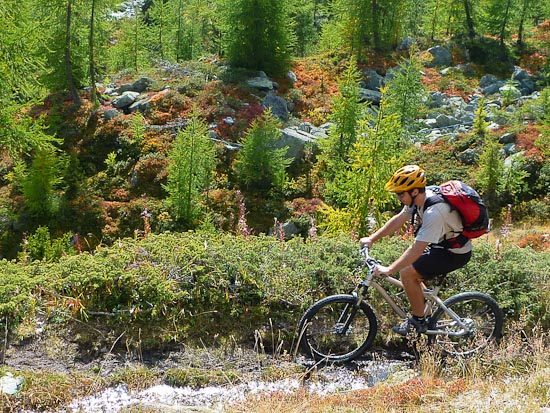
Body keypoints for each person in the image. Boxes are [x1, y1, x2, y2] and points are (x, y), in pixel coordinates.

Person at [359, 165, 472, 335]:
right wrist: (372, 238)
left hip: (454, 253)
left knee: (407, 272)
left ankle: (418, 321)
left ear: (414, 192)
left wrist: (389, 270)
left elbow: (416, 250)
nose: (398, 197)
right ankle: (425, 310)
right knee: (411, 272)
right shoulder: (419, 198)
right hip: (442, 246)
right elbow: (400, 219)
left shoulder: (435, 212)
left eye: (400, 194)